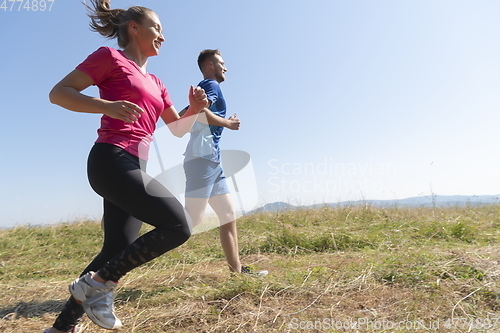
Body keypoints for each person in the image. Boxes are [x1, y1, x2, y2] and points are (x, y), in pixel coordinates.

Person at [44, 1, 208, 332]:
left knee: (117, 247)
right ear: (134, 27)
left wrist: (194, 109)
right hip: (110, 158)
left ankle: (61, 327)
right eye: (157, 27)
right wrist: (106, 106)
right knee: (179, 226)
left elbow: (176, 128)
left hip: (136, 165)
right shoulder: (110, 58)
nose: (162, 34)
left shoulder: (158, 83)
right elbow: (59, 93)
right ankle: (100, 284)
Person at [181, 49, 268, 276]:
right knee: (189, 222)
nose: (225, 68)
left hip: (212, 161)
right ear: (210, 65)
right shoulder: (211, 84)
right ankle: (136, 214)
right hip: (202, 160)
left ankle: (236, 271)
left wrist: (221, 121)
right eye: (222, 63)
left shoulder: (207, 88)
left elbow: (190, 112)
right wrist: (227, 124)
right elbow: (199, 112)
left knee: (228, 216)